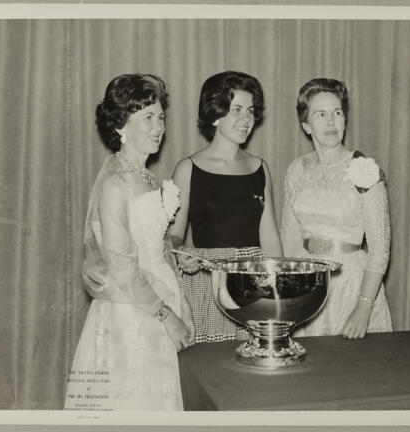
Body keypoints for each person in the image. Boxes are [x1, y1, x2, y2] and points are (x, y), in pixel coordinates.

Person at [64, 73, 194, 411]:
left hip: (160, 298)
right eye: (147, 118)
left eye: (161, 117)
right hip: (131, 313)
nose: (158, 127)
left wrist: (184, 305)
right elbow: (121, 265)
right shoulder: (114, 186)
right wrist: (168, 316)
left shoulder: (149, 179)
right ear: (121, 124)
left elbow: (160, 249)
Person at [169, 71, 283, 343]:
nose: (246, 120)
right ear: (216, 113)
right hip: (207, 284)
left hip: (253, 285)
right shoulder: (188, 169)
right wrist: (182, 250)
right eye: (237, 110)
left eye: (251, 111)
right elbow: (172, 236)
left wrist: (278, 291)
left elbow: (271, 240)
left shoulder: (259, 168)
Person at [281, 78, 392, 339]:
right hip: (308, 284)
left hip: (351, 284)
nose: (331, 121)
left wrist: (363, 309)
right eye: (321, 114)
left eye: (337, 113)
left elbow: (379, 248)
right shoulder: (297, 170)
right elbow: (290, 238)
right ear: (306, 125)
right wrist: (295, 293)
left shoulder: (363, 169)